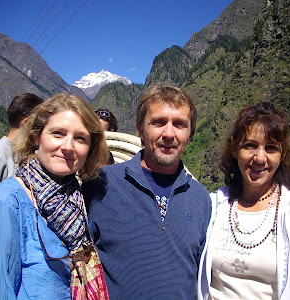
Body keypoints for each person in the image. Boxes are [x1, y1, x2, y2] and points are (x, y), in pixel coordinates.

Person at [0, 94, 110, 299]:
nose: (68, 146)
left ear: (90, 149)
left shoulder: (78, 198)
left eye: (80, 138)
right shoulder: (5, 204)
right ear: (37, 137)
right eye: (57, 133)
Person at [83, 85, 212, 299]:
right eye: (158, 122)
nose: (169, 134)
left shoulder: (200, 198)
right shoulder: (101, 185)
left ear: (189, 135)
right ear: (142, 130)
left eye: (179, 124)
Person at [198, 102, 290, 299]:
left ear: (283, 154)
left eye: (271, 148)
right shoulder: (214, 205)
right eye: (250, 146)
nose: (260, 158)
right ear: (234, 148)